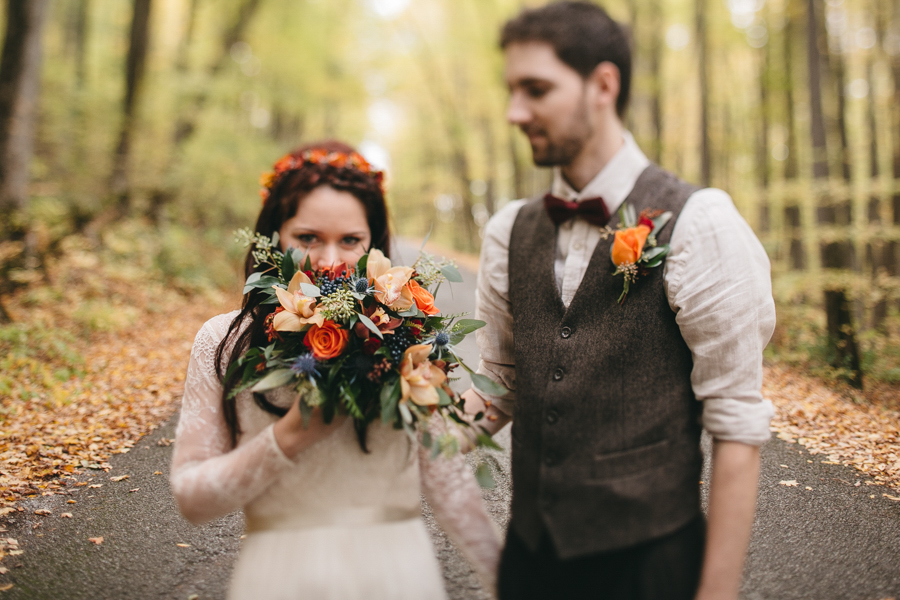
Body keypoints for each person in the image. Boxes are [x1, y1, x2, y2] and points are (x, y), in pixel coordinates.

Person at [462, 3, 776, 600]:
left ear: (603, 84)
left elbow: (736, 424)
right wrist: (405, 429)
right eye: (511, 90)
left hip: (649, 567)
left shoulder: (701, 223)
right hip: (529, 565)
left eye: (536, 89)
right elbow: (503, 386)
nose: (514, 112)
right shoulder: (508, 229)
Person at [170, 140, 502, 600]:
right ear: (274, 239)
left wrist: (507, 580)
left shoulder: (404, 336)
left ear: (374, 244)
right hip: (278, 579)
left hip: (400, 576)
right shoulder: (224, 341)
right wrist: (290, 437)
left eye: (350, 240)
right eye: (307, 238)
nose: (329, 261)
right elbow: (192, 497)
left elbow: (449, 485)